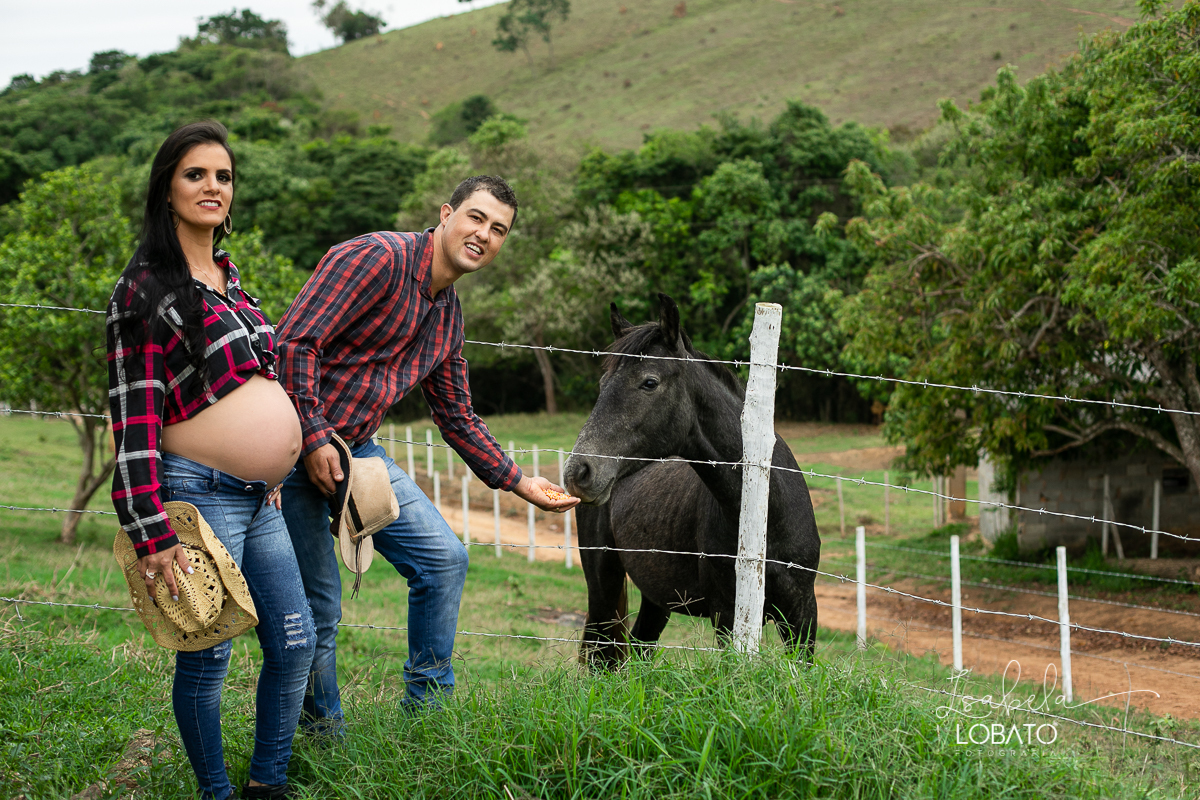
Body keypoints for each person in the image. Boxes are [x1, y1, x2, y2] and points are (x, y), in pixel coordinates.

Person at [276, 175, 578, 727]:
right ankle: (322, 739)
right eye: (476, 218)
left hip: (357, 451)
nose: (484, 235)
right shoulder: (374, 258)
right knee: (318, 610)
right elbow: (294, 342)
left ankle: (428, 718)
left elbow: (457, 415)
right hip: (289, 445)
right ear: (446, 214)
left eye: (499, 230)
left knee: (443, 561)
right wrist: (314, 432)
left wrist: (517, 481)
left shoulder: (448, 319)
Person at [107, 120, 314, 800]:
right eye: (196, 174)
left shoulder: (231, 279)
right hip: (197, 499)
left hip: (261, 499)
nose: (212, 186)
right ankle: (217, 795)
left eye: (222, 176)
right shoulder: (145, 289)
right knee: (209, 655)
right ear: (167, 188)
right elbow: (133, 418)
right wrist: (150, 530)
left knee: (295, 641)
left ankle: (267, 786)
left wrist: (274, 467)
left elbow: (262, 380)